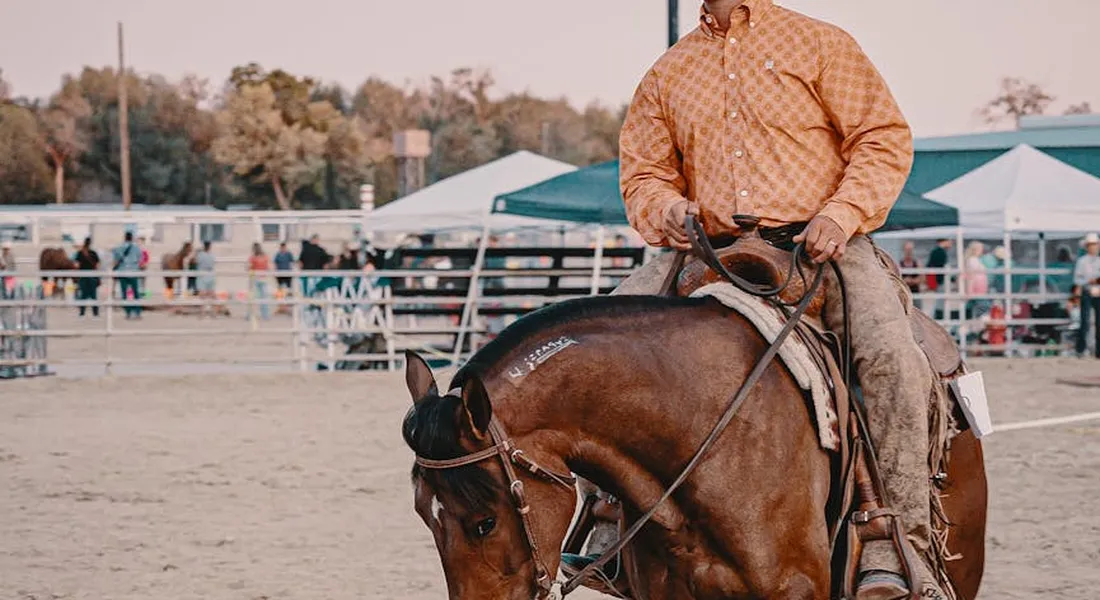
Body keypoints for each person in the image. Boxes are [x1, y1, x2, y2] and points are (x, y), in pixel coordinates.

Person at [608, 1, 946, 597]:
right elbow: (643, 175)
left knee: (891, 357)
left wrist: (842, 214)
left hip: (823, 246)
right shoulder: (669, 72)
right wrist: (667, 209)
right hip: (706, 249)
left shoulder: (820, 44)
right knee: (600, 344)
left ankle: (900, 542)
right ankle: (610, 519)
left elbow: (882, 139)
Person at [1073, 233, 1100, 358]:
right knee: (1085, 321)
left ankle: (1097, 351)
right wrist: (1089, 281)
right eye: (1091, 245)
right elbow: (1077, 280)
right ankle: (1081, 349)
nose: (1094, 247)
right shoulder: (1082, 262)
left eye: (1095, 245)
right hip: (1087, 292)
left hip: (1098, 292)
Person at [112, 232, 143, 319]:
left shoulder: (118, 248)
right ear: (132, 238)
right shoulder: (137, 248)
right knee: (136, 293)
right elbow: (140, 261)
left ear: (124, 238)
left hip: (122, 273)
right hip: (133, 272)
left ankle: (128, 313)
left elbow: (115, 261)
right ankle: (137, 312)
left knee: (124, 294)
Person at [73, 237, 100, 317]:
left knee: (83, 295)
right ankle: (95, 313)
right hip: (92, 276)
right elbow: (97, 265)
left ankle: (82, 312)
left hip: (83, 276)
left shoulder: (80, 253)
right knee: (94, 295)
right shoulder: (93, 253)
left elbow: (77, 265)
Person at [926, 239, 952, 320]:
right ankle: (938, 318)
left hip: (937, 280)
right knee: (939, 301)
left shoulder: (936, 251)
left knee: (939, 301)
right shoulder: (940, 252)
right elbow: (940, 267)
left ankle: (937, 317)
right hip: (939, 280)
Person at [962, 241, 989, 318]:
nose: (982, 250)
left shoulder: (975, 260)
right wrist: (969, 290)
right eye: (980, 249)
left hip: (978, 288)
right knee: (984, 308)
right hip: (977, 289)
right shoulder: (972, 260)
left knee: (972, 309)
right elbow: (970, 276)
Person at [247, 242, 271, 321]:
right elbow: (267, 267)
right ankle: (265, 315)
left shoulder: (253, 257)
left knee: (252, 297)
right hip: (263, 278)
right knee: (264, 298)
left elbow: (249, 267)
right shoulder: (265, 257)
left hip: (255, 278)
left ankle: (250, 315)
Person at [194, 241, 217, 317]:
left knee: (202, 296)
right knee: (211, 295)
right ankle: (212, 312)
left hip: (202, 275)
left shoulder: (200, 255)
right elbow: (213, 263)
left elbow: (195, 261)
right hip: (210, 275)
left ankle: (202, 313)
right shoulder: (212, 255)